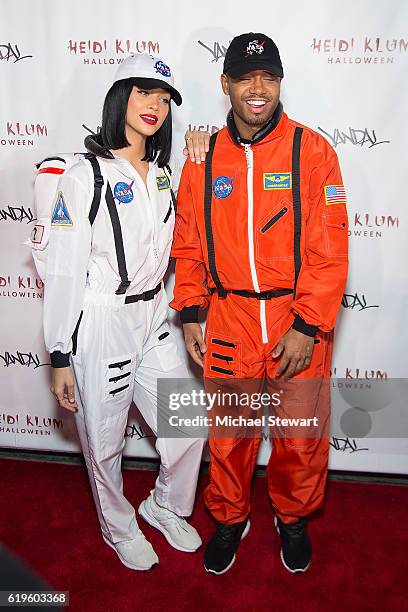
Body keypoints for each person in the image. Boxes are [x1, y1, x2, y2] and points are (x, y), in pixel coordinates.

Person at [171, 33, 348, 575]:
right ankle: (230, 518)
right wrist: (192, 312)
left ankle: (291, 519)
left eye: (268, 78)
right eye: (245, 78)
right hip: (229, 317)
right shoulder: (202, 157)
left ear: (279, 84)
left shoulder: (312, 150)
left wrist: (308, 324)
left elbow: (330, 243)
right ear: (225, 84)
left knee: (299, 435)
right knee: (229, 434)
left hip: (296, 318)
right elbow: (188, 240)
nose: (257, 89)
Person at [41, 53, 208, 571]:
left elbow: (186, 233)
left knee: (187, 424)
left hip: (154, 316)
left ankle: (165, 505)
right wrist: (60, 352)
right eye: (143, 93)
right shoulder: (83, 174)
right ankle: (118, 527)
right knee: (106, 441)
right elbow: (65, 270)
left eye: (163, 98)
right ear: (121, 98)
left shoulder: (161, 175)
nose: (154, 105)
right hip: (103, 322)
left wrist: (197, 162)